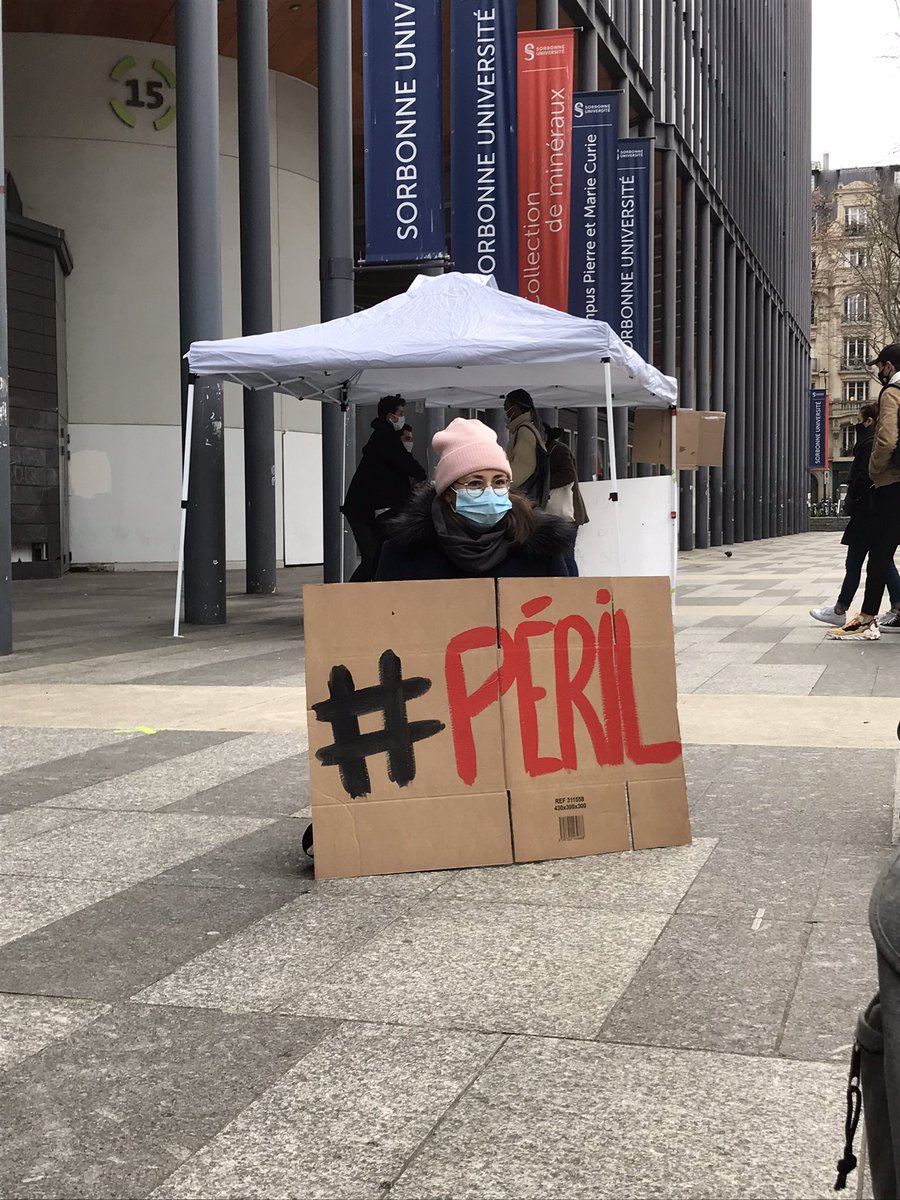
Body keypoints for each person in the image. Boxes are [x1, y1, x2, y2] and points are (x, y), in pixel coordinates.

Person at [376, 417, 570, 580]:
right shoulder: (405, 551)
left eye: (499, 482)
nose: (489, 491)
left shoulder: (541, 547)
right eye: (475, 483)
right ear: (449, 494)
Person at [830, 344, 900, 640]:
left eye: (880, 366)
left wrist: (875, 471)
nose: (878, 371)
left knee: (880, 551)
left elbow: (885, 438)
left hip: (893, 483)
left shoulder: (893, 392)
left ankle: (866, 617)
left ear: (889, 366)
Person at [810, 403, 900, 626]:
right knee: (882, 562)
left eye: (859, 419)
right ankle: (896, 605)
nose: (857, 424)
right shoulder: (872, 441)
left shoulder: (869, 443)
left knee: (858, 562)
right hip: (873, 511)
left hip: (866, 512)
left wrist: (853, 498)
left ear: (869, 421)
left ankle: (841, 610)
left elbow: (865, 476)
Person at [343, 394, 427, 582]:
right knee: (372, 558)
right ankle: (350, 597)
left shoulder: (381, 436)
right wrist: (421, 475)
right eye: (401, 413)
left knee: (376, 556)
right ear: (391, 416)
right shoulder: (386, 437)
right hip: (362, 511)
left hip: (364, 509)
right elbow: (406, 463)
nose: (403, 416)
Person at [544, 426, 588, 577]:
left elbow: (568, 474)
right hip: (562, 514)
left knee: (566, 556)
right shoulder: (551, 450)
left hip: (566, 513)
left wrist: (543, 484)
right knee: (562, 555)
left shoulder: (558, 450)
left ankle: (572, 591)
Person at [503, 388, 549, 505]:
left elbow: (522, 468)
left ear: (516, 408)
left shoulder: (524, 432)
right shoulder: (528, 429)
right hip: (526, 497)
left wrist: (503, 488)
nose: (506, 413)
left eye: (506, 408)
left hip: (522, 499)